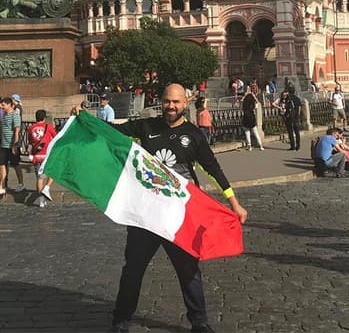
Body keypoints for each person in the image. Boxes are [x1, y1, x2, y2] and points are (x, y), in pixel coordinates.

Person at [102, 83, 248, 332]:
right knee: (133, 270)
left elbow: (213, 169)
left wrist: (234, 202)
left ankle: (199, 321)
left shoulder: (193, 134)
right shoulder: (146, 126)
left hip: (178, 216)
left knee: (188, 271)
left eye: (176, 102)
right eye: (167, 101)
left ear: (185, 103)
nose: (171, 106)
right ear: (161, 101)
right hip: (145, 214)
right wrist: (82, 119)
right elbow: (112, 132)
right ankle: (121, 319)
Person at [0, 94, 23, 196]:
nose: (2, 107)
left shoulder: (15, 115)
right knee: (2, 165)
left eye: (3, 105)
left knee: (16, 164)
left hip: (12, 144)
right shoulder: (4, 115)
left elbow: (17, 131)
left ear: (9, 104)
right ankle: (2, 186)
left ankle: (21, 183)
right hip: (3, 144)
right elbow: (2, 129)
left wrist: (15, 145)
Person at [27, 109, 56, 208]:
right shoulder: (49, 127)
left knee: (40, 178)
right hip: (47, 156)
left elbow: (30, 142)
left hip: (37, 157)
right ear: (44, 118)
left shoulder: (31, 128)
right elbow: (55, 138)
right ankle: (47, 188)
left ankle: (41, 200)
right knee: (53, 172)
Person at [277, 86, 302, 151]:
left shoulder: (288, 99)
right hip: (296, 117)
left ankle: (292, 146)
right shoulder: (297, 99)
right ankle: (298, 146)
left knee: (290, 132)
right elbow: (299, 108)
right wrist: (298, 116)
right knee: (297, 132)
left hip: (289, 117)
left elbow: (284, 107)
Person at [240, 85, 263, 151]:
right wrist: (253, 96)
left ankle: (249, 146)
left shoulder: (244, 103)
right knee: (255, 132)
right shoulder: (252, 103)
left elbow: (241, 101)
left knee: (247, 132)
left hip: (246, 118)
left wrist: (245, 95)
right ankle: (261, 145)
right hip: (252, 117)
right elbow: (257, 104)